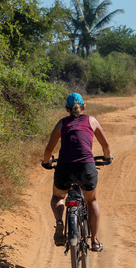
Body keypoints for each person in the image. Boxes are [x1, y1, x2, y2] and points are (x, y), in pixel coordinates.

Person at [41, 92, 112, 251]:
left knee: (58, 196)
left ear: (67, 109)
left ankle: (59, 222)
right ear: (83, 107)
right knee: (91, 201)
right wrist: (107, 158)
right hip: (86, 167)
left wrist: (46, 162)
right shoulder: (91, 120)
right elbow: (105, 146)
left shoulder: (61, 124)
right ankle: (94, 241)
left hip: (64, 167)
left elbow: (49, 149)